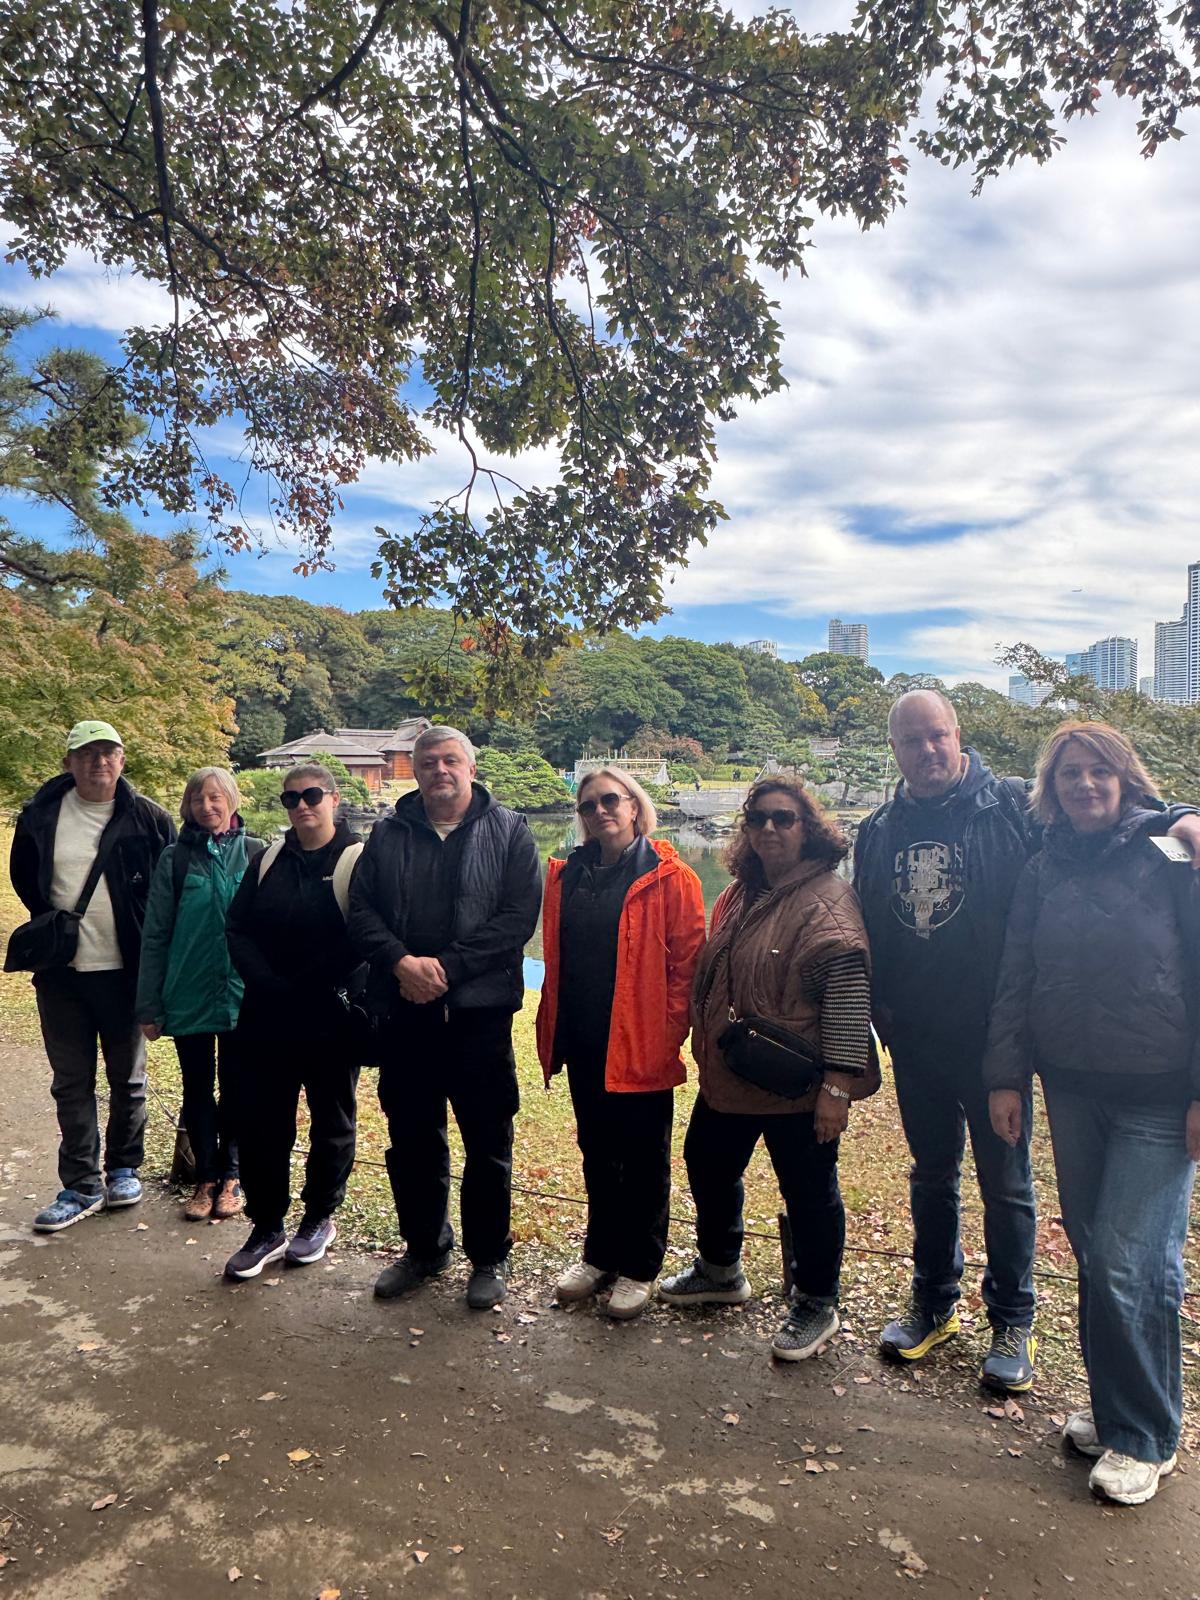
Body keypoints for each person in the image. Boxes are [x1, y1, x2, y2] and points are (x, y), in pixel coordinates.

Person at [854, 690, 1200, 1393]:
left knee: (1006, 1186)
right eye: (911, 741)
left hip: (995, 1039)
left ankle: (1013, 1317)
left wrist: (1180, 814)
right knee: (931, 1176)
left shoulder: (1012, 804)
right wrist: (881, 1016)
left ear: (958, 735)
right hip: (915, 1037)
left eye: (937, 736)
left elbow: (1105, 817)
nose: (927, 751)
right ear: (894, 750)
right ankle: (934, 1303)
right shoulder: (881, 828)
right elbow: (870, 926)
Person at [984, 722, 1200, 1506]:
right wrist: (1005, 1077)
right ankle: (1119, 1413)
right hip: (1072, 1090)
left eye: (1098, 771)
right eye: (1069, 773)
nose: (1084, 784)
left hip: (1159, 1095)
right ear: (1050, 788)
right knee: (1094, 1255)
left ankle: (1146, 1436)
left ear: (1126, 778)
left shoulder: (1171, 854)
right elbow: (1017, 975)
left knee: (1128, 1262)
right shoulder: (1043, 867)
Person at [660, 778, 875, 1362]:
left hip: (795, 1082)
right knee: (707, 1163)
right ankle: (720, 1269)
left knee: (808, 1192)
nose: (769, 829)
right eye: (757, 819)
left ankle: (817, 1300)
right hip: (733, 1071)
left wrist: (837, 1088)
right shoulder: (745, 891)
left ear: (809, 828)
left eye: (784, 818)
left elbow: (848, 996)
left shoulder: (827, 898)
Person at [348, 725, 542, 1311]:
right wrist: (400, 962)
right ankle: (424, 1249)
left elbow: (517, 919)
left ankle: (488, 1257)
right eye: (429, 762)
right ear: (415, 770)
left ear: (471, 768)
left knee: (488, 1139)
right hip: (404, 1012)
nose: (440, 770)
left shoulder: (509, 830)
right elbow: (361, 910)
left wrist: (447, 968)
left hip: (479, 1017)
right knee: (412, 1138)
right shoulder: (388, 832)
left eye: (451, 760)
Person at [536, 766, 705, 1319]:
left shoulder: (671, 877)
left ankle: (640, 1265)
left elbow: (687, 968)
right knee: (597, 1152)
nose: (600, 811)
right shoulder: (568, 876)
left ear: (634, 806)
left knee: (644, 1160)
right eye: (589, 805)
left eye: (611, 800)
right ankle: (600, 1254)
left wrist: (667, 1033)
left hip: (640, 1039)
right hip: (585, 1037)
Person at [8, 721, 175, 1231]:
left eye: (108, 752)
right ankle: (81, 1183)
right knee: (70, 1081)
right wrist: (53, 927)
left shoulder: (149, 819)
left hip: (126, 970)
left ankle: (124, 1167)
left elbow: (168, 888)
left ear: (122, 760)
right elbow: (25, 877)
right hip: (62, 972)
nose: (98, 762)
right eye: (86, 754)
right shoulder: (41, 816)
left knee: (128, 1079)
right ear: (68, 763)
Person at [222, 763, 365, 1280]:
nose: (302, 806)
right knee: (262, 1122)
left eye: (311, 796)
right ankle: (266, 1225)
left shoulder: (357, 860)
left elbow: (364, 934)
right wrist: (265, 981)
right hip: (267, 1013)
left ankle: (319, 1216)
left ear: (334, 799)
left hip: (330, 1014)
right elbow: (237, 928)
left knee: (332, 1120)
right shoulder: (268, 860)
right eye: (291, 798)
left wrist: (307, 984)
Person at [135, 768, 263, 1222]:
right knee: (197, 1087)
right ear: (187, 806)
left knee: (238, 1086)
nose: (206, 806)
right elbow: (155, 934)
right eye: (197, 799)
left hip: (242, 993)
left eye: (215, 797)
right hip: (187, 989)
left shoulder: (256, 853)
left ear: (232, 800)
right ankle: (204, 1177)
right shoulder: (174, 859)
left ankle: (232, 1175)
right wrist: (149, 1005)